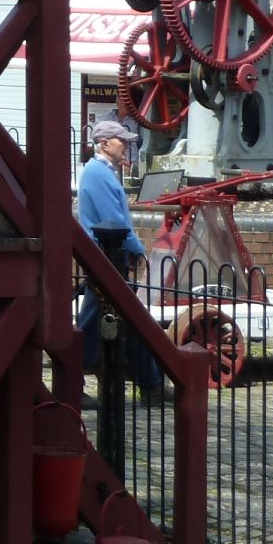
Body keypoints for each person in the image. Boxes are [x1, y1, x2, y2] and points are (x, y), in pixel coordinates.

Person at [76, 118, 166, 398]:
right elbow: (114, 220)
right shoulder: (99, 174)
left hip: (106, 256)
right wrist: (137, 248)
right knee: (109, 321)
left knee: (121, 320)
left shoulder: (99, 172)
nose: (126, 145)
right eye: (121, 141)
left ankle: (150, 383)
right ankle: (150, 384)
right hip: (107, 256)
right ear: (104, 143)